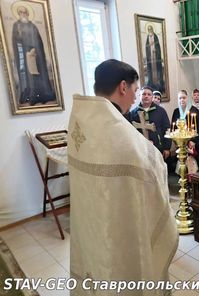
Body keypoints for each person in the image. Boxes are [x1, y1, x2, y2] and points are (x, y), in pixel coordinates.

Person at [67, 59, 178, 296]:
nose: (135, 98)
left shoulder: (80, 124)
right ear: (123, 87)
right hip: (120, 230)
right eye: (135, 91)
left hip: (91, 227)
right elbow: (155, 166)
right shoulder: (121, 134)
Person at [12, 5, 55, 105]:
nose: (23, 14)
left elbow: (39, 41)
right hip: (26, 56)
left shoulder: (33, 26)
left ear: (27, 13)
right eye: (21, 12)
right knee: (29, 76)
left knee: (39, 75)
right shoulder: (16, 25)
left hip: (36, 55)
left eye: (25, 12)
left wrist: (36, 50)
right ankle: (31, 96)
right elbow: (16, 41)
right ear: (19, 14)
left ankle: (43, 95)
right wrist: (25, 50)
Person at [128, 86, 171, 160]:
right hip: (140, 150)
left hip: (158, 148)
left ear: (152, 97)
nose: (146, 96)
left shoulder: (161, 111)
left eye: (149, 94)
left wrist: (167, 147)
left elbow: (167, 129)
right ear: (139, 96)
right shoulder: (132, 114)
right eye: (144, 94)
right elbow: (130, 133)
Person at [171, 90, 199, 171]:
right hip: (181, 142)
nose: (182, 100)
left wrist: (192, 140)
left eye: (184, 98)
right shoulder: (176, 111)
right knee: (183, 163)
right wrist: (177, 141)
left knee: (196, 164)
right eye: (180, 98)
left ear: (187, 98)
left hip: (195, 142)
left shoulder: (193, 110)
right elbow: (173, 127)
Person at [145, 25, 164, 92]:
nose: (150, 31)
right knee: (151, 71)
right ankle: (152, 84)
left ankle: (159, 84)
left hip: (155, 56)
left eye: (151, 29)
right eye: (149, 29)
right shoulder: (148, 37)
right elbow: (147, 47)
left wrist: (155, 50)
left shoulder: (155, 36)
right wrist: (149, 47)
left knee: (158, 70)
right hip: (151, 57)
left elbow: (157, 45)